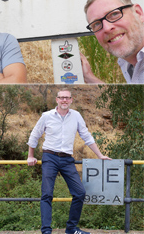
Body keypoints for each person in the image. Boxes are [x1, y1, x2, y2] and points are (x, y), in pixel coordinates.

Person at [27, 89, 111, 234]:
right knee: (47, 194)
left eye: (67, 98)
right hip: (50, 157)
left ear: (71, 100)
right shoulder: (47, 116)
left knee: (79, 193)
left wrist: (100, 155)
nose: (64, 100)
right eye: (62, 98)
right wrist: (30, 156)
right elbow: (35, 135)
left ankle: (71, 229)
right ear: (57, 100)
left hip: (67, 159)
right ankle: (46, 230)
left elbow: (87, 136)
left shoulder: (76, 116)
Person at [81, 0, 144, 83]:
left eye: (114, 14)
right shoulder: (126, 64)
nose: (106, 28)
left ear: (138, 13)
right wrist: (90, 78)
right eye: (96, 24)